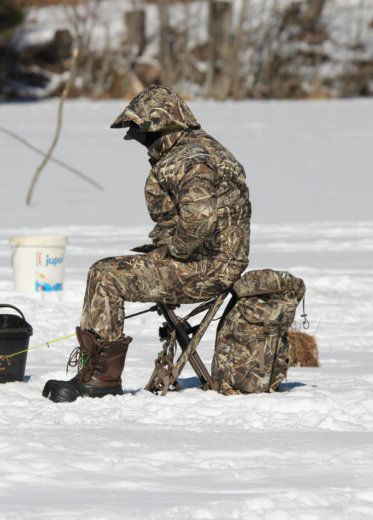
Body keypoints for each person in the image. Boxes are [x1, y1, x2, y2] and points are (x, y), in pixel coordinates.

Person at [42, 85, 251, 403]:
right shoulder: (197, 149)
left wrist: (176, 253)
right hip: (212, 262)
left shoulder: (192, 158)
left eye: (141, 132)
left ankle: (100, 378)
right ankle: (97, 371)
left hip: (208, 267)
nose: (140, 141)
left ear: (162, 126)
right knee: (113, 270)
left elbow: (200, 217)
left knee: (106, 274)